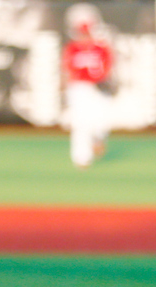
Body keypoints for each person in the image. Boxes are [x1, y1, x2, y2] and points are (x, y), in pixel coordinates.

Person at [61, 4, 113, 168]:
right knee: (80, 123)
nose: (84, 35)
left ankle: (98, 138)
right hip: (79, 88)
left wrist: (107, 82)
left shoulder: (101, 48)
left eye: (86, 31)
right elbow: (66, 70)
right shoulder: (72, 48)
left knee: (101, 121)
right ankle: (81, 158)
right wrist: (63, 90)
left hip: (98, 87)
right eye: (82, 32)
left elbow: (109, 68)